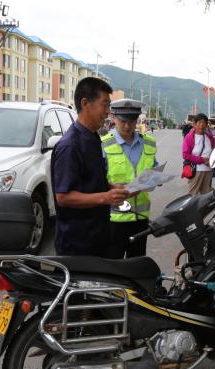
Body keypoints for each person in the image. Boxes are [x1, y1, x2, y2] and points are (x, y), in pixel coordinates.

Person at [51, 77, 129, 256]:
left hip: (98, 235)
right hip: (78, 243)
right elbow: (63, 196)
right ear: (85, 103)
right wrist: (106, 197)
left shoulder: (92, 137)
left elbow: (88, 180)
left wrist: (113, 189)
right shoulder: (70, 145)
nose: (108, 112)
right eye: (105, 105)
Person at [101, 99, 157, 259]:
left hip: (141, 220)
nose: (127, 126)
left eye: (132, 121)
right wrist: (114, 188)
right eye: (123, 121)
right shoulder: (103, 144)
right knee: (114, 266)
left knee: (137, 265)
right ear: (113, 118)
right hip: (114, 220)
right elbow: (95, 180)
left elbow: (154, 169)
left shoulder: (149, 143)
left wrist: (153, 179)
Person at [182, 113, 215, 195]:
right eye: (199, 122)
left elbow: (214, 150)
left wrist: (214, 159)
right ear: (195, 124)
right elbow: (185, 155)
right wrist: (202, 160)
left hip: (209, 170)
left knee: (206, 196)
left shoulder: (209, 137)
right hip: (196, 171)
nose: (202, 125)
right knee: (193, 195)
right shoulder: (189, 137)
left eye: (204, 123)